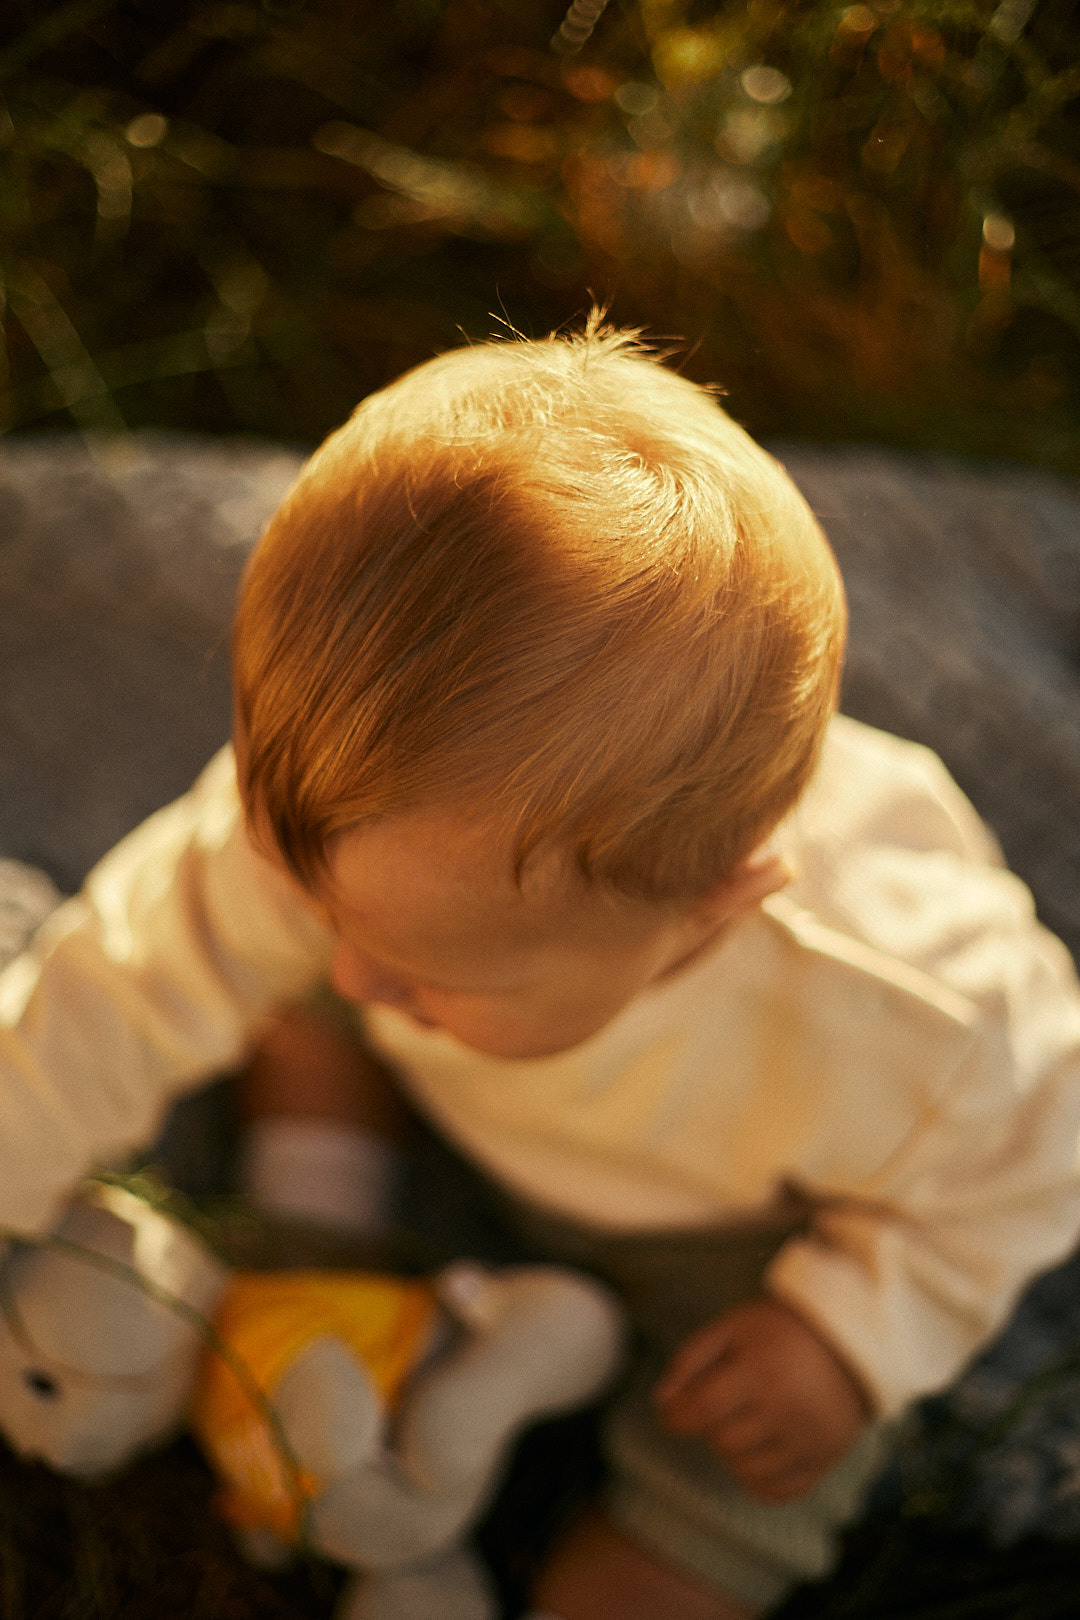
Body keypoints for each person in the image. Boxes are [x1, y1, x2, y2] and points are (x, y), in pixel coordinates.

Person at [2, 320, 1080, 1619]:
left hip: (726, 1235)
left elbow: (1040, 1150)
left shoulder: (905, 1014)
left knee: (733, 1491)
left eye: (420, 964)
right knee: (275, 995)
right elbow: (115, 983)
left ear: (708, 917)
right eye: (315, 898)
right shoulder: (350, 840)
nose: (356, 966)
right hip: (468, 1092)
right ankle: (328, 1184)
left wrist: (851, 1336)